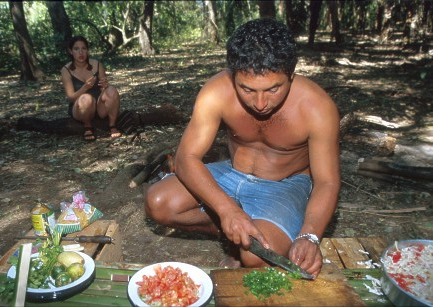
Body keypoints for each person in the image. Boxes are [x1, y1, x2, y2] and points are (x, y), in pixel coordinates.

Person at [145, 18, 340, 278]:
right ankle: (234, 231)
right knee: (159, 203)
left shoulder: (317, 107)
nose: (260, 103)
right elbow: (186, 157)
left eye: (273, 89)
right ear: (232, 74)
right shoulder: (216, 92)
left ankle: (247, 238)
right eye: (246, 89)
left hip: (285, 184)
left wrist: (310, 235)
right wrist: (227, 210)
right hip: (232, 172)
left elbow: (327, 181)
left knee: (255, 256)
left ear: (291, 74)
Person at [61, 36, 121, 141]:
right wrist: (85, 88)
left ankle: (112, 125)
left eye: (84, 48)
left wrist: (105, 86)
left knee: (112, 90)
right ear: (70, 51)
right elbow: (71, 98)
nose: (81, 52)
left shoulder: (96, 65)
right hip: (80, 109)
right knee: (86, 98)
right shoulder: (66, 70)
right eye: (76, 49)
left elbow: (105, 91)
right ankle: (87, 126)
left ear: (87, 50)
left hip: (98, 108)